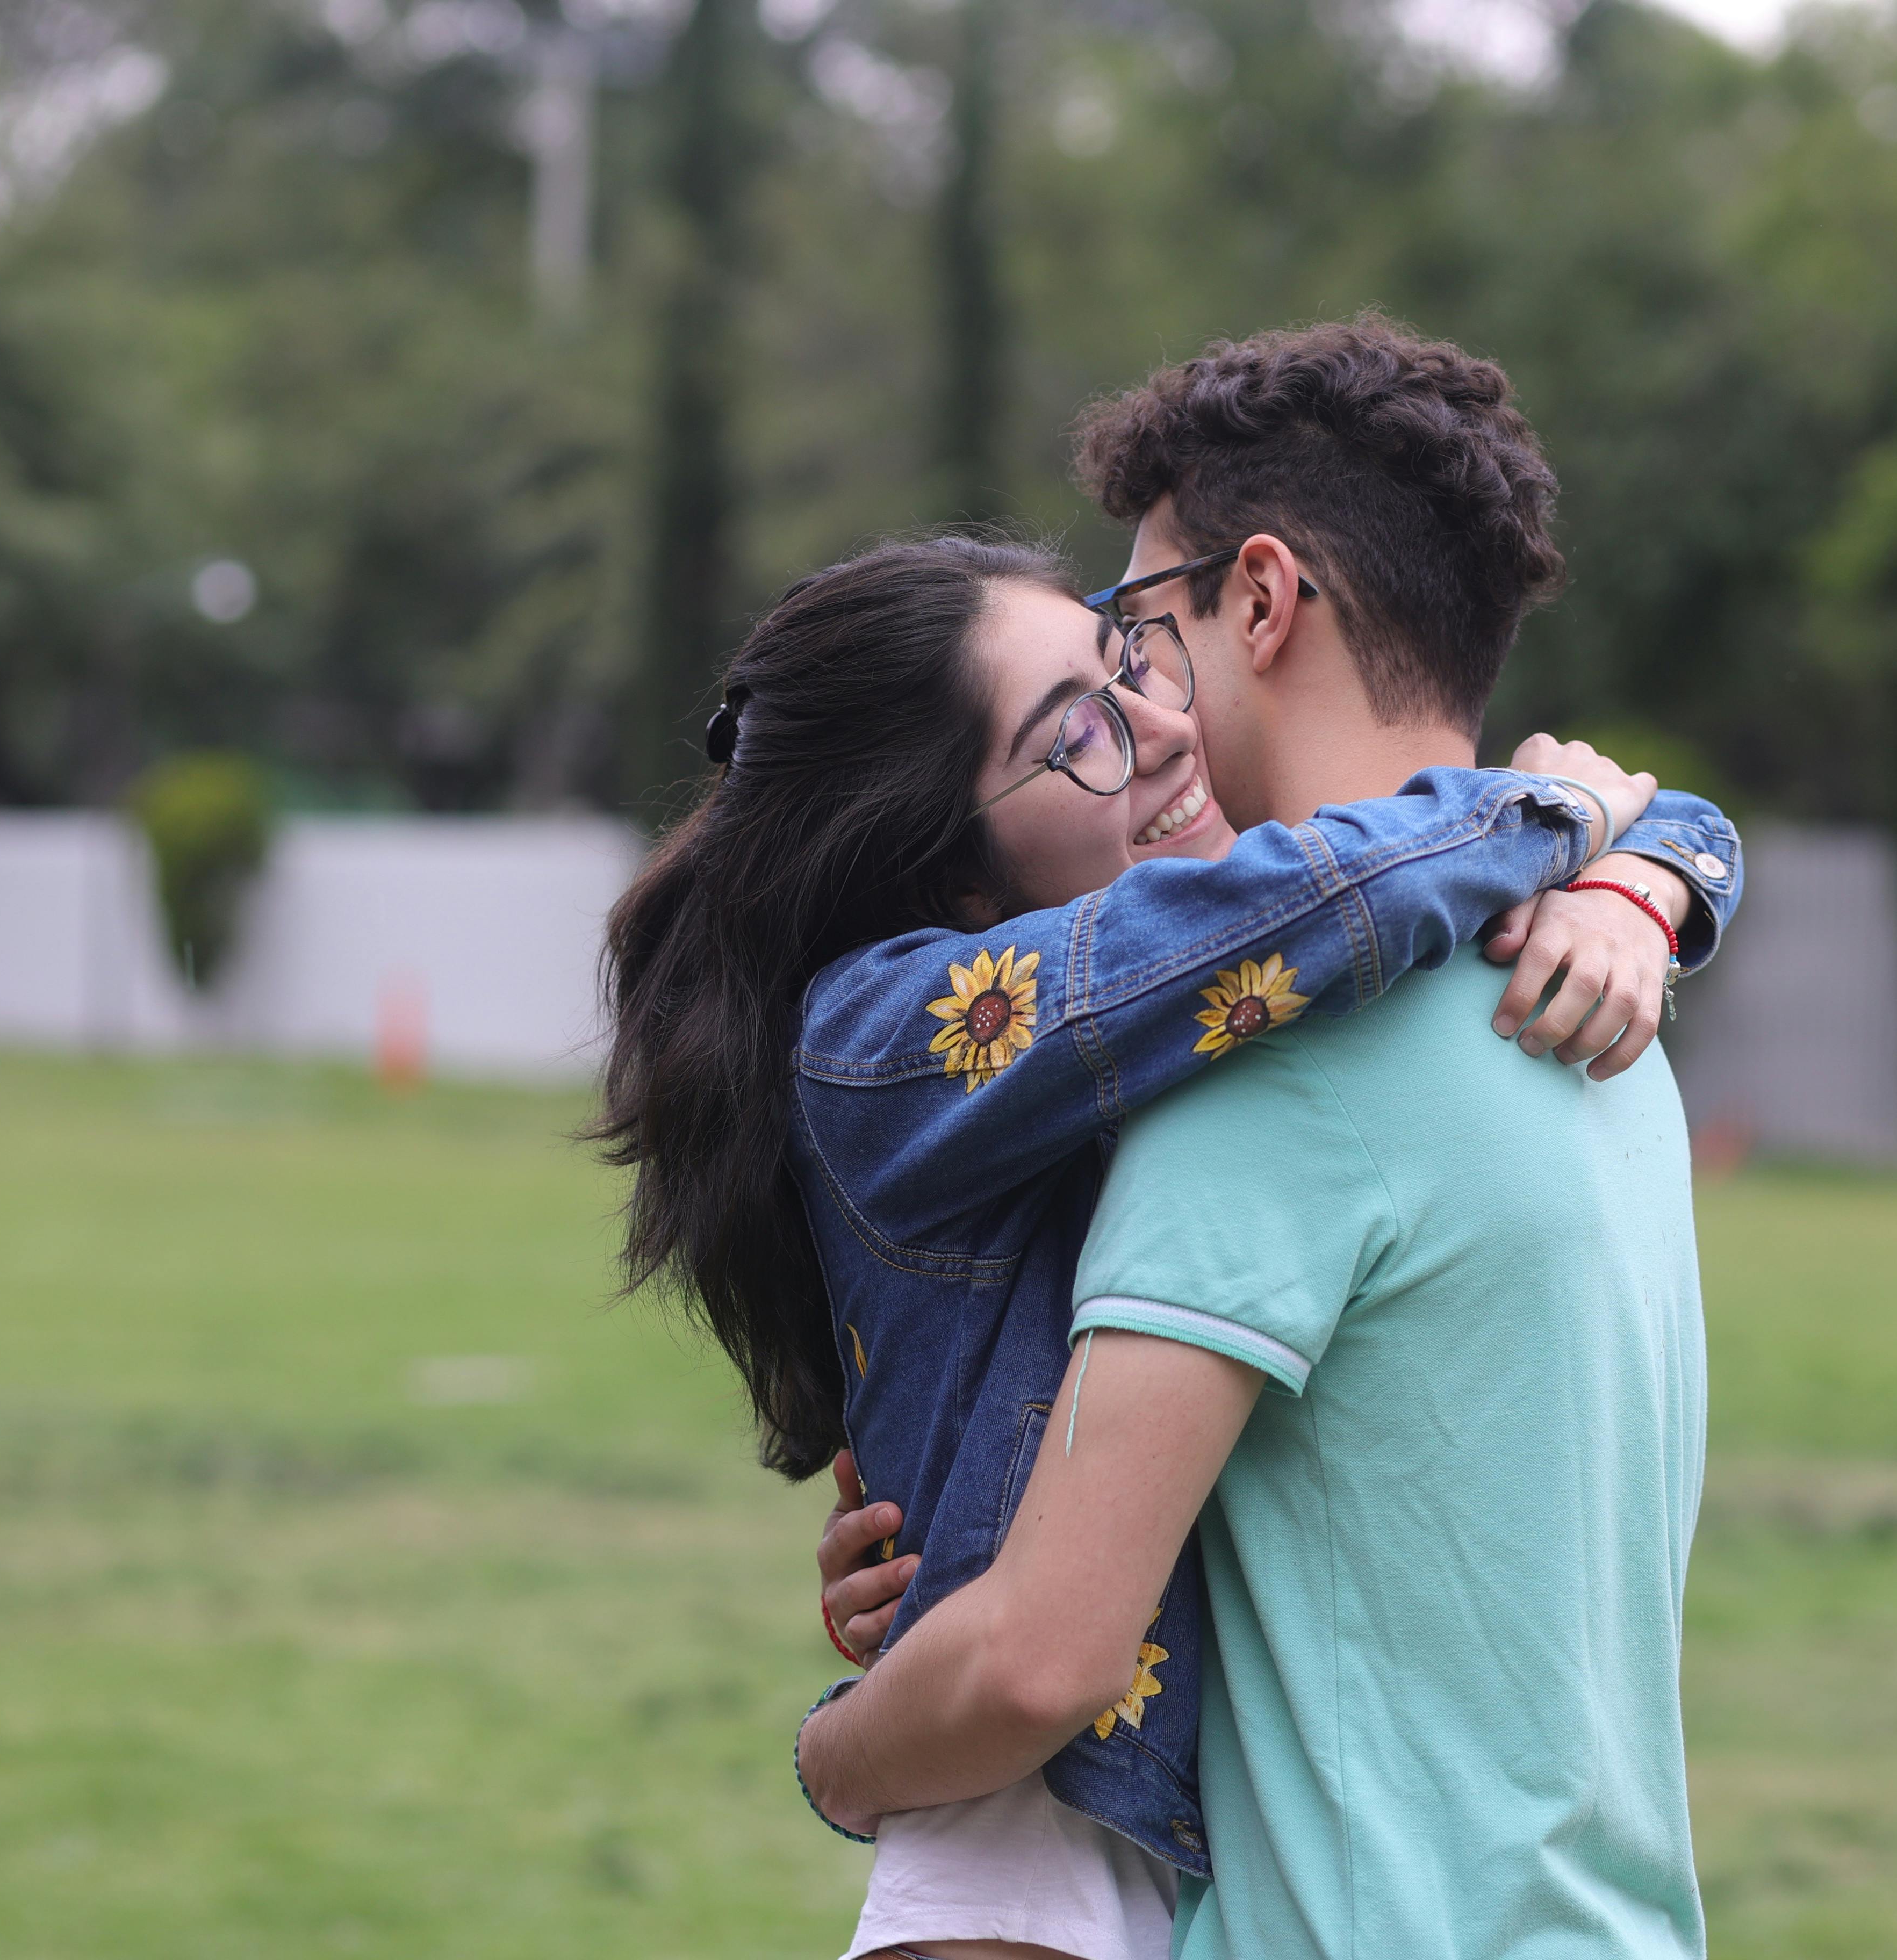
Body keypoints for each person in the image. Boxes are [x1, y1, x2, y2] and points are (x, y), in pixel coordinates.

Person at [599, 522, 1743, 1954]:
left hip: (1175, 1836)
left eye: (1125, 663)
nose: (1157, 724)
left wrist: (1652, 882)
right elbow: (1276, 917)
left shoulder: (1137, 1035)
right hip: (1030, 1849)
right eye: (1076, 728)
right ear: (950, 880)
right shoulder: (895, 1033)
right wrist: (1555, 824)